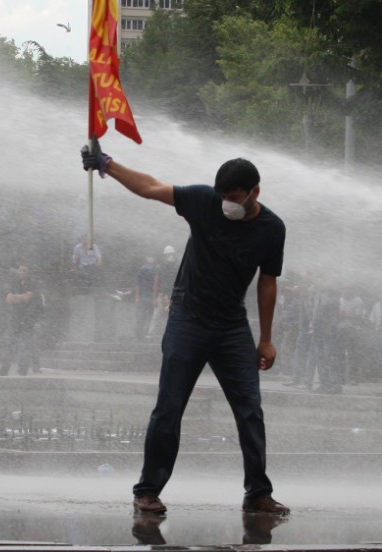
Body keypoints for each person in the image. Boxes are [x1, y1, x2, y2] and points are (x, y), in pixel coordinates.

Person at [81, 138, 290, 516]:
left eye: (235, 196)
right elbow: (149, 187)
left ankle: (258, 493)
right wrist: (106, 164)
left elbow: (268, 281)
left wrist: (266, 339)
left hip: (231, 326)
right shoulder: (202, 201)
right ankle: (147, 491)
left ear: (254, 192)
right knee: (169, 407)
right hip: (187, 319)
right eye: (223, 194)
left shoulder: (272, 228)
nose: (227, 202)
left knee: (250, 410)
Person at [0, 265, 43, 376]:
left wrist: (16, 297)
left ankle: (23, 369)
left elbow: (28, 298)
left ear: (28, 272)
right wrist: (20, 297)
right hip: (16, 318)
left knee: (26, 345)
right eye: (20, 270)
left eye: (24, 271)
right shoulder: (15, 283)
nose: (22, 272)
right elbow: (9, 299)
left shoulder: (33, 284)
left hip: (28, 319)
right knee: (10, 344)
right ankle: (4, 369)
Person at [133, 256, 157, 341]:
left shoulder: (155, 269)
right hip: (144, 296)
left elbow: (156, 284)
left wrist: (154, 298)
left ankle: (145, 335)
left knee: (149, 317)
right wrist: (137, 297)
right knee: (141, 316)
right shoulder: (142, 269)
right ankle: (139, 335)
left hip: (150, 296)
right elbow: (138, 284)